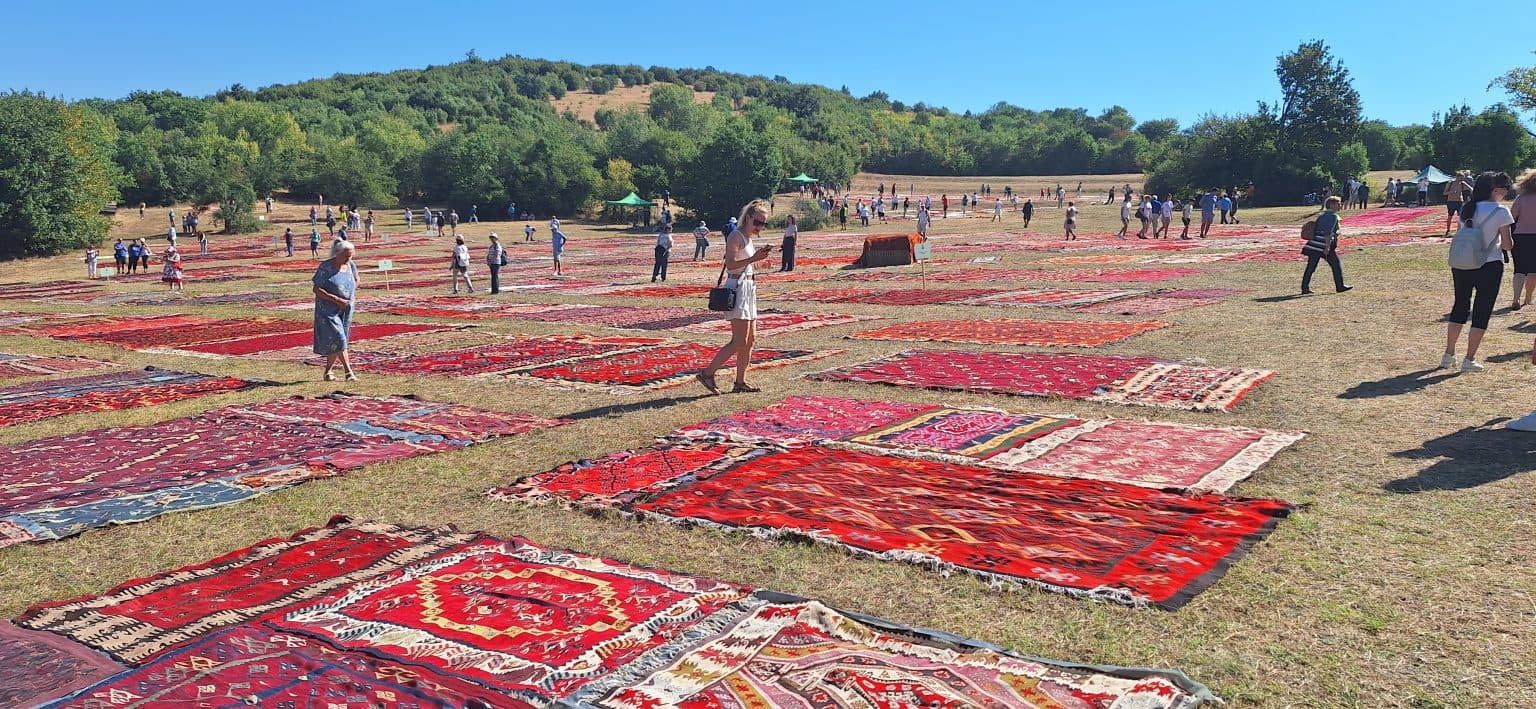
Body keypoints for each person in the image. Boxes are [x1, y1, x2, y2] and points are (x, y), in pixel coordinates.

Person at [696, 199, 776, 395]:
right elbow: (731, 265)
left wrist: (760, 263)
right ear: (748, 218)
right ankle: (707, 373)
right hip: (737, 288)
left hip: (748, 287)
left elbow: (746, 263)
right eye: (757, 222)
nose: (760, 227)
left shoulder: (748, 238)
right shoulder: (735, 236)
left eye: (763, 224)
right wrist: (754, 258)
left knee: (750, 339)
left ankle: (740, 382)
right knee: (739, 340)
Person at [1442, 172, 1516, 373]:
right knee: (1482, 310)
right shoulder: (1501, 211)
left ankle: (1448, 353)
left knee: (1460, 305)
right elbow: (1507, 244)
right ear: (1496, 190)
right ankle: (1469, 358)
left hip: (1463, 262)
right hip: (1489, 264)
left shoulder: (1467, 208)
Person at [313, 240, 359, 382]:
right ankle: (348, 372)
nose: (348, 259)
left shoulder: (351, 265)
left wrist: (350, 294)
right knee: (340, 338)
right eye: (346, 256)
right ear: (337, 254)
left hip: (346, 309)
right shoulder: (325, 267)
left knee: (338, 340)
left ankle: (328, 372)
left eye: (350, 256)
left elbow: (356, 279)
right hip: (328, 311)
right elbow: (316, 289)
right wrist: (337, 299)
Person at [1300, 197, 1351, 295]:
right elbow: (1328, 233)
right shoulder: (1332, 216)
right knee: (1335, 265)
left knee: (1311, 267)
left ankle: (1304, 287)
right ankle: (1340, 286)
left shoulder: (1322, 215)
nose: (1340, 205)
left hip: (1314, 244)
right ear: (1332, 205)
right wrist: (1327, 247)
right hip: (1323, 245)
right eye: (1338, 204)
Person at [1509, 169, 1536, 309]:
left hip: (1519, 236)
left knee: (1519, 269)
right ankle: (1528, 297)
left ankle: (1516, 299)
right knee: (1533, 270)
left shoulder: (1520, 198)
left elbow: (1511, 218)